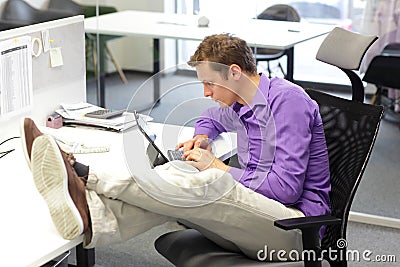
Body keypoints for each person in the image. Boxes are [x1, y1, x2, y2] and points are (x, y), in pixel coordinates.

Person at [23, 33, 330, 261]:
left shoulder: (288, 101)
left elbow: (285, 189)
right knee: (180, 173)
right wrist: (203, 136)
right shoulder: (241, 100)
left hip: (293, 230)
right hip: (258, 215)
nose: (206, 92)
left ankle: (87, 177)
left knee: (208, 182)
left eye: (210, 83)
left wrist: (219, 167)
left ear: (235, 72)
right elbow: (210, 118)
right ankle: (91, 215)